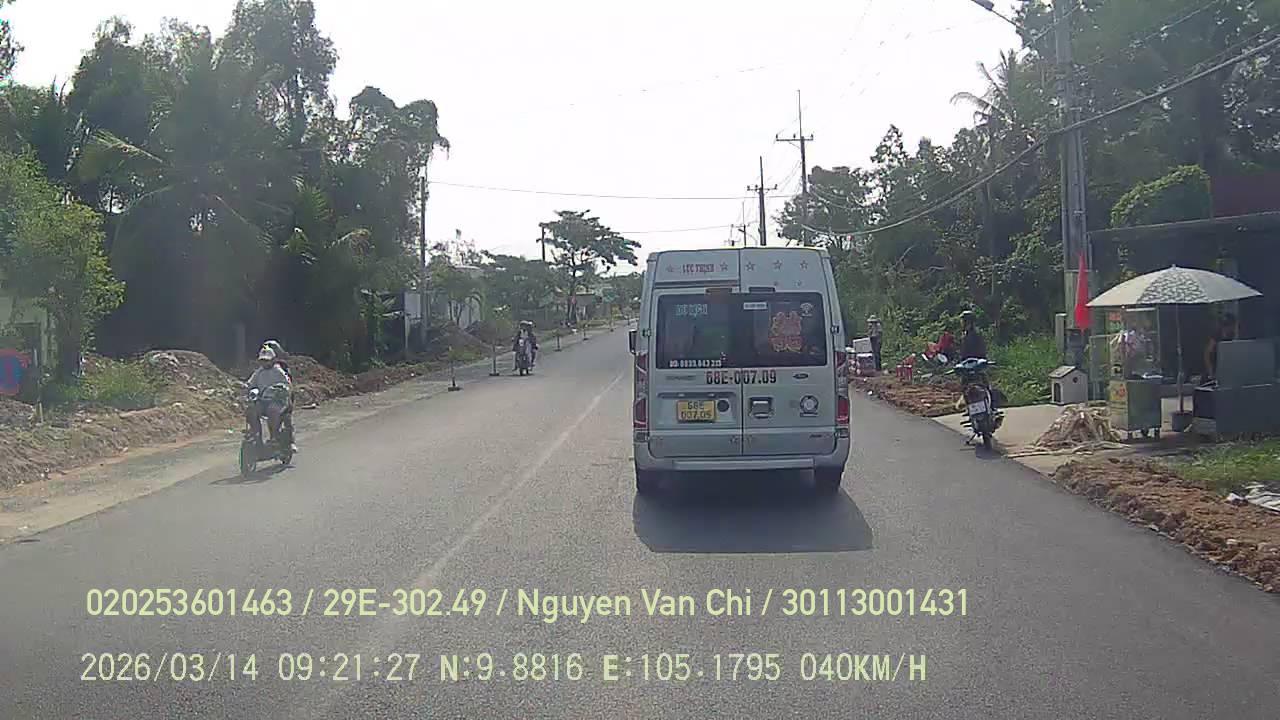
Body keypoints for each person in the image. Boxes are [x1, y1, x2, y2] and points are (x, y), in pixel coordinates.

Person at [245, 345, 293, 451]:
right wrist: (245, 387)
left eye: (267, 361)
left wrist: (279, 390)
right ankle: (256, 435)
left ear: (273, 360)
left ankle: (274, 437)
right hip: (263, 401)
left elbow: (287, 385)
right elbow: (250, 383)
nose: (264, 363)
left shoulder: (279, 371)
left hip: (278, 401)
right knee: (251, 410)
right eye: (262, 361)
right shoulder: (259, 372)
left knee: (272, 411)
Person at [260, 339, 296, 448]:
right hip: (267, 397)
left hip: (283, 395)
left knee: (286, 417)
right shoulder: (262, 369)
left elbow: (288, 382)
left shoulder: (282, 367)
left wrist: (286, 393)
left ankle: (290, 442)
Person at [1203, 312, 1239, 383]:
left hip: (1228, 367)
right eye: (1225, 325)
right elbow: (1207, 353)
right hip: (1215, 367)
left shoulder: (1233, 334)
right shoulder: (1216, 334)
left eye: (1229, 325)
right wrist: (1210, 371)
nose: (1227, 328)